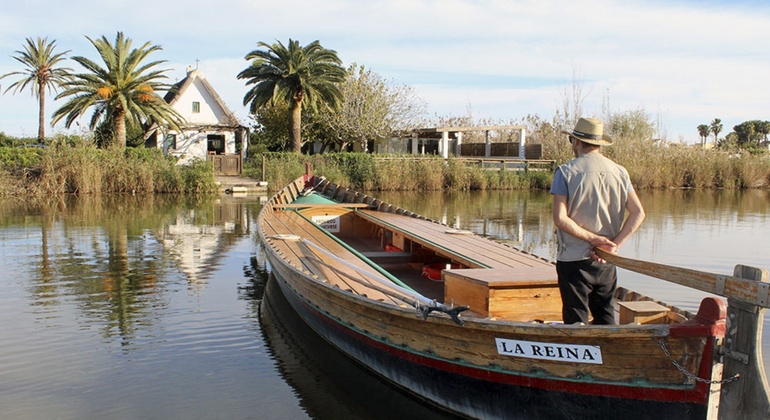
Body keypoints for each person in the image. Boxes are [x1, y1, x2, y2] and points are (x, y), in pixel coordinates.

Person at [550, 117, 645, 325]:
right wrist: (613, 245)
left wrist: (593, 239)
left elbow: (560, 218)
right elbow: (638, 213)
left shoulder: (565, 172)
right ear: (599, 143)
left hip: (573, 259)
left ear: (576, 142)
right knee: (606, 317)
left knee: (576, 322)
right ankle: (610, 355)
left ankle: (578, 356)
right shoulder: (620, 172)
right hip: (606, 260)